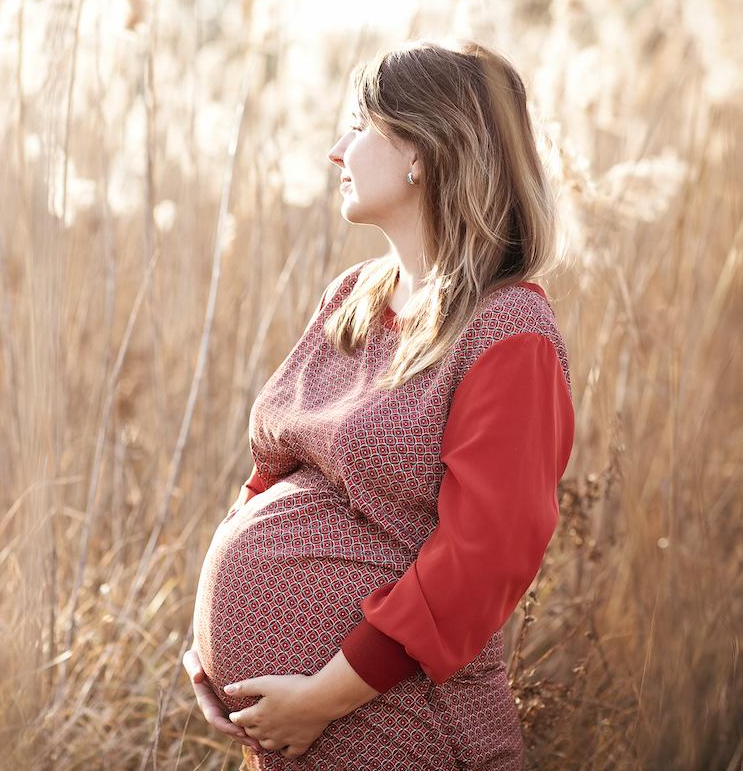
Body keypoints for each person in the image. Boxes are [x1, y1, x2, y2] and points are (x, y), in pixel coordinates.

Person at [184, 39, 576, 770]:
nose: (337, 150)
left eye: (359, 125)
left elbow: (480, 561)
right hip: (299, 727)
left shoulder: (506, 331)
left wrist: (323, 695)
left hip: (404, 729)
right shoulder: (356, 294)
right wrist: (208, 651)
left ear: (420, 152)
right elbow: (273, 470)